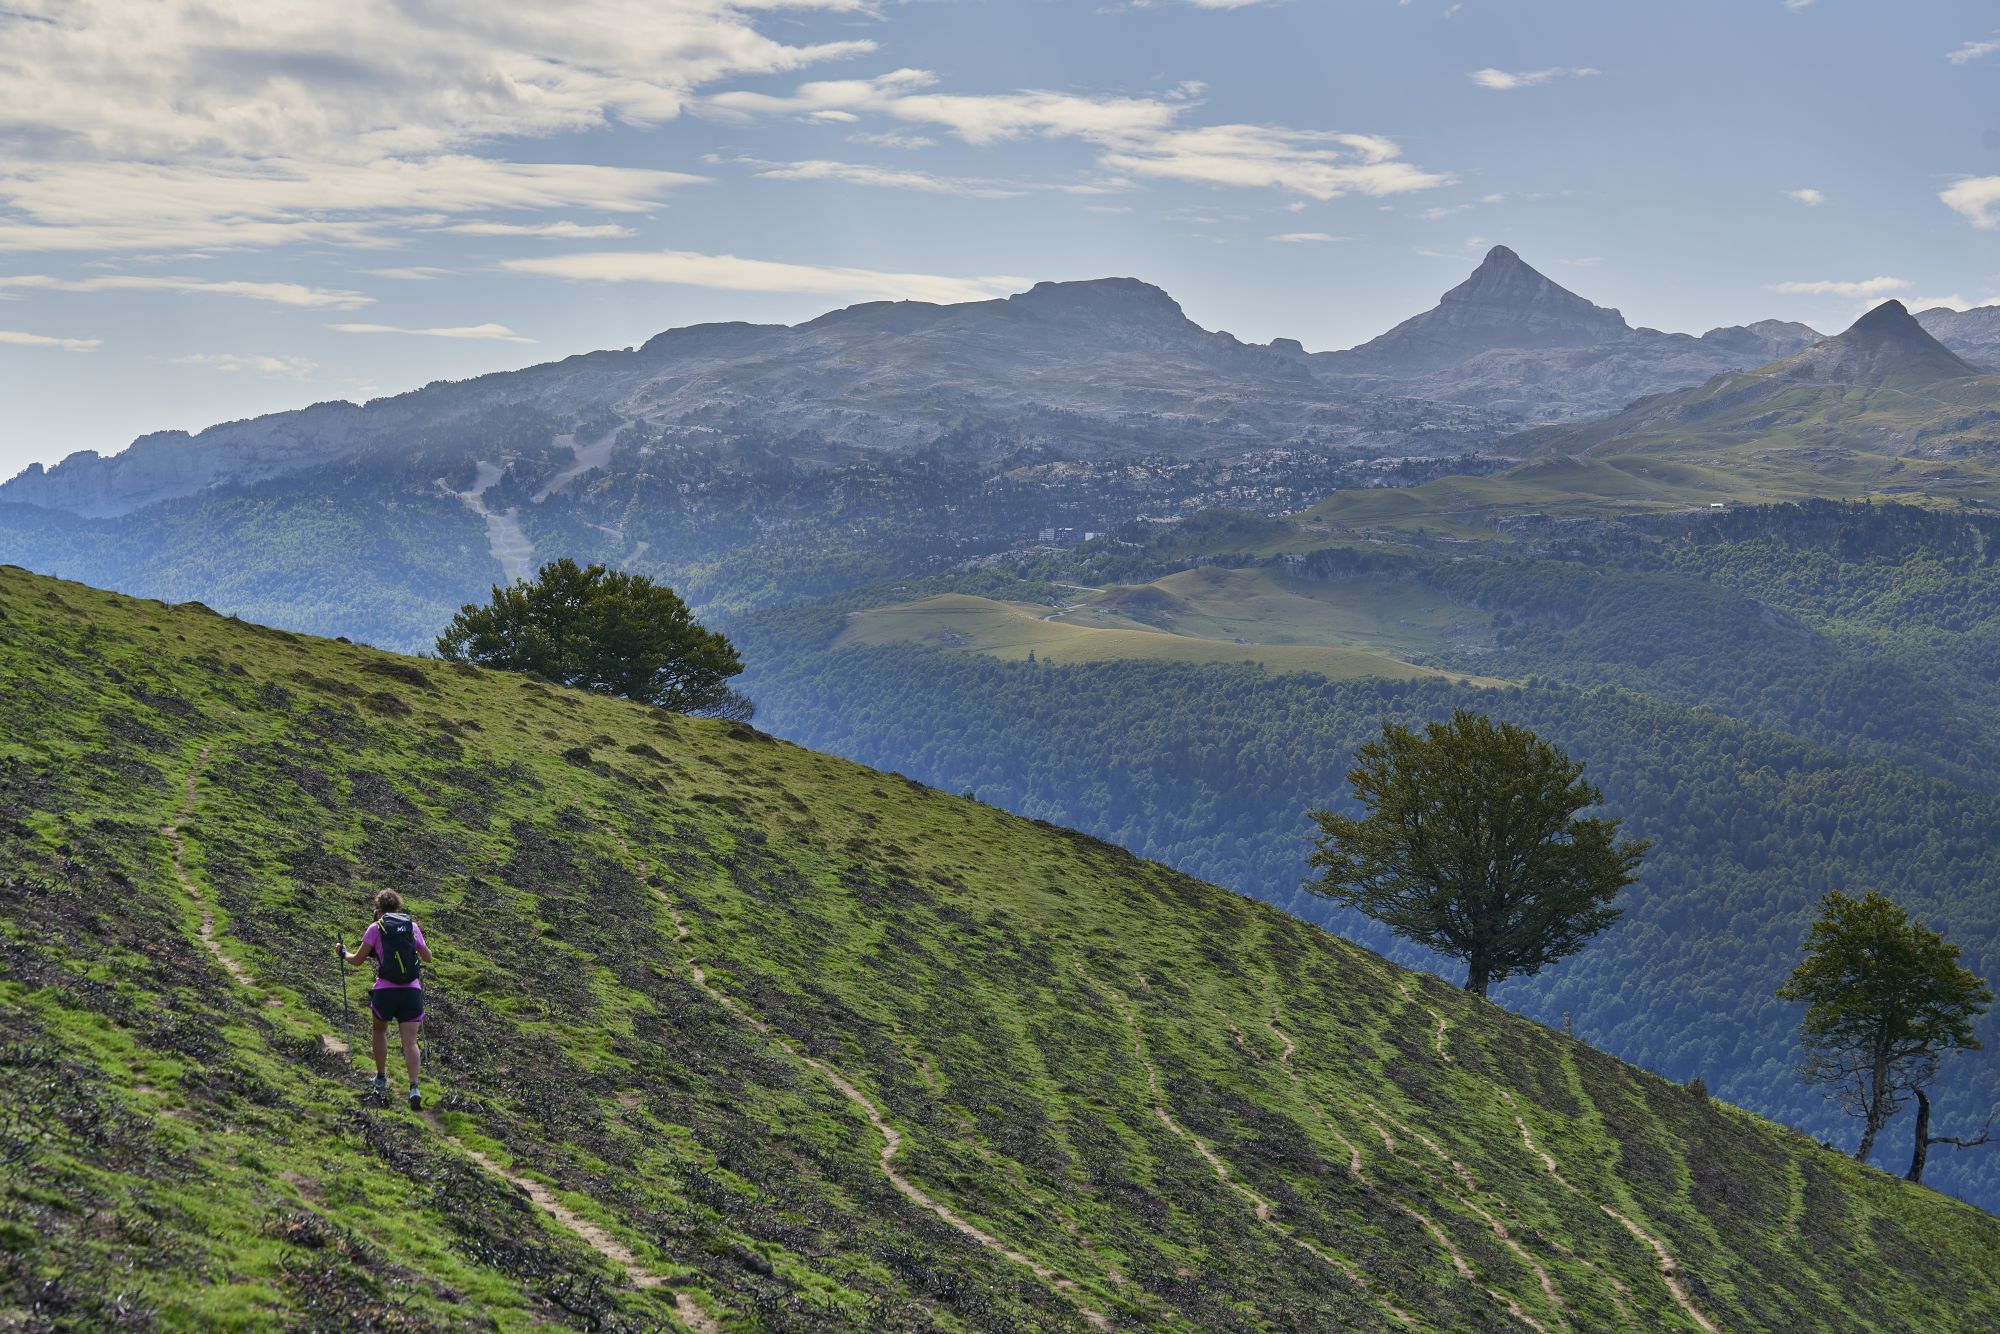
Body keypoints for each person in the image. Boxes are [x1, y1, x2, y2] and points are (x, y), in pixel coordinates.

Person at [340, 890, 433, 1110]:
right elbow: (427, 957)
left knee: (379, 1031)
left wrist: (343, 952)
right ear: (399, 908)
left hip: (385, 990)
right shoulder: (412, 926)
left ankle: (381, 1078)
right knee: (410, 1042)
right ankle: (414, 1087)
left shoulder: (375, 928)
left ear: (378, 909)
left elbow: (358, 960)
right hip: (411, 990)